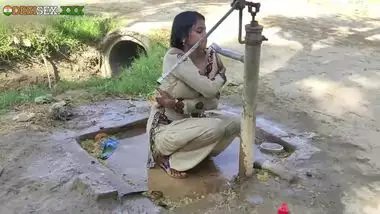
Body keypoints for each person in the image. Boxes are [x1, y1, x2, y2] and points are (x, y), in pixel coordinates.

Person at [146, 11, 241, 179]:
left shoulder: (209, 57)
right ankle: (167, 159)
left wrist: (177, 103)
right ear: (183, 35)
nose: (206, 35)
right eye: (199, 31)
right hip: (166, 130)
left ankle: (196, 156)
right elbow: (210, 90)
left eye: (205, 30)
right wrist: (221, 77)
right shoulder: (174, 57)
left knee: (236, 122)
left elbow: (213, 102)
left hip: (191, 123)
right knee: (216, 127)